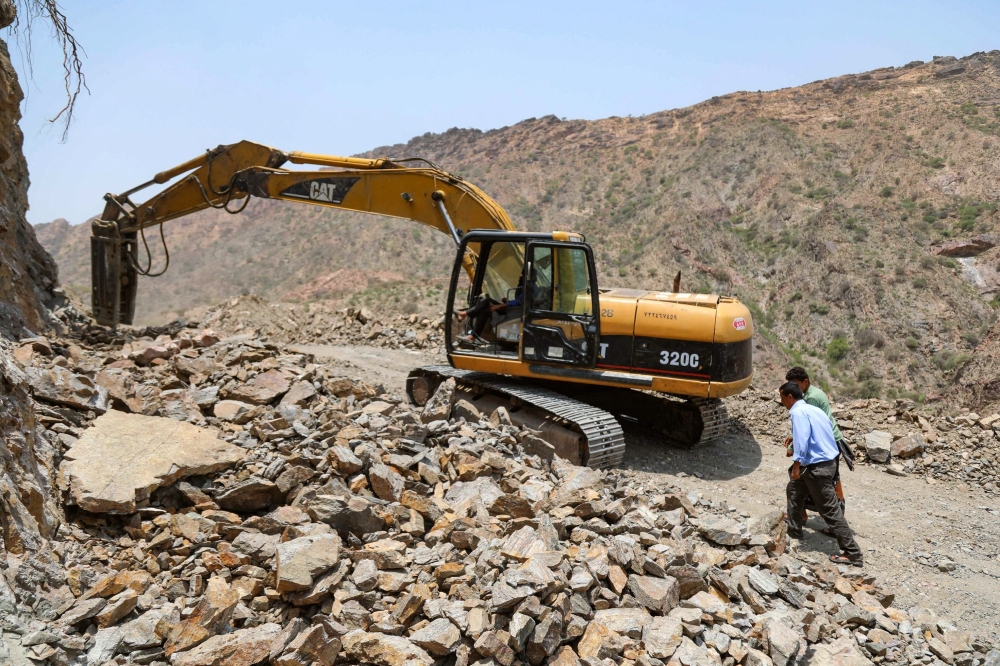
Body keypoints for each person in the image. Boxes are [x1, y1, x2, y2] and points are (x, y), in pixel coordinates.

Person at [779, 381, 864, 566]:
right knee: (794, 490)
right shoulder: (813, 410)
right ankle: (795, 530)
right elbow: (822, 433)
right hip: (827, 461)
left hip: (816, 467)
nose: (782, 402)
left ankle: (853, 553)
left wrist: (796, 465)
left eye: (782, 397)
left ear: (790, 397)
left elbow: (802, 441)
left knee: (830, 509)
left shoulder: (797, 412)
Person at [784, 367, 854, 522]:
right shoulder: (809, 394)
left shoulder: (811, 398)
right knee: (829, 480)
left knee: (825, 482)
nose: (794, 389)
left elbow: (808, 429)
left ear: (805, 382)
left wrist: (793, 447)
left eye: (796, 384)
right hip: (828, 441)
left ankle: (829, 520)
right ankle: (804, 515)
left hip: (825, 442)